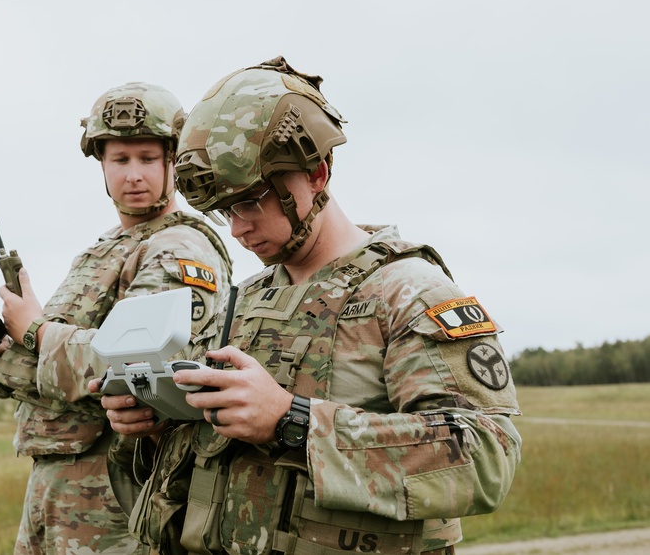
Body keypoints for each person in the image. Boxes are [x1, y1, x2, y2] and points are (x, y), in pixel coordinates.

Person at [95, 57, 522, 555]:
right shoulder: (246, 299)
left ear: (316, 174)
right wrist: (158, 423)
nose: (237, 229)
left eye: (252, 201)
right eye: (226, 210)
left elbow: (487, 456)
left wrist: (292, 421)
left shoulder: (406, 292)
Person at [0, 82, 232, 555]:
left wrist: (32, 331)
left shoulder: (179, 247)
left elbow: (138, 369)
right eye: (120, 160)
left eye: (146, 158)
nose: (133, 175)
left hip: (119, 490)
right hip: (58, 486)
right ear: (101, 164)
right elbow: (62, 358)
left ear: (173, 161)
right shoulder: (103, 250)